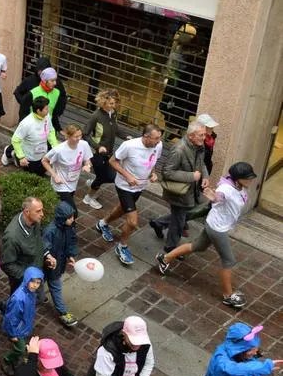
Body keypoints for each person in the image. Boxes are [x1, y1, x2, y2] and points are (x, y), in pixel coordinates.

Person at [157, 161, 258, 304]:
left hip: (215, 223)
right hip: (217, 229)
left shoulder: (240, 186)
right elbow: (219, 196)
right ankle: (228, 296)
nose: (251, 180)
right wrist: (213, 196)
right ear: (237, 178)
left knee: (198, 246)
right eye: (247, 177)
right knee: (229, 261)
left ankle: (165, 258)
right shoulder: (226, 189)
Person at [95, 124, 163, 266]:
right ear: (145, 136)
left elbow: (153, 160)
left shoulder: (158, 145)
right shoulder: (129, 145)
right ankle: (122, 247)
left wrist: (153, 173)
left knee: (122, 209)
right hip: (125, 186)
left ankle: (103, 223)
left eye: (159, 138)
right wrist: (128, 176)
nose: (158, 141)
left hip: (140, 186)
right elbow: (112, 161)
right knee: (132, 222)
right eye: (155, 138)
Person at [151, 122, 208, 253]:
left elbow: (201, 163)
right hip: (179, 192)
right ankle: (170, 247)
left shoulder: (198, 146)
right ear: (191, 136)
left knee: (181, 216)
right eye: (201, 135)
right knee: (179, 221)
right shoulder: (179, 150)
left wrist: (205, 176)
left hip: (190, 191)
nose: (204, 137)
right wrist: (191, 176)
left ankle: (158, 223)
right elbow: (167, 172)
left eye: (204, 134)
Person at [199, 322, 281, 376]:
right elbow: (230, 369)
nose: (254, 353)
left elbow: (247, 366)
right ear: (239, 349)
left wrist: (258, 375)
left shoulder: (241, 355)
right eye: (251, 350)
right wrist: (262, 367)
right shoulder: (221, 359)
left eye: (255, 349)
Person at [42, 201, 80, 327]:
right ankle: (63, 312)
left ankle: (40, 296)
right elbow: (44, 245)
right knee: (54, 287)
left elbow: (71, 242)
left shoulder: (68, 228)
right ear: (63, 218)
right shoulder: (50, 230)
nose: (72, 219)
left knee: (40, 284)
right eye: (70, 217)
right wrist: (49, 256)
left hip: (56, 264)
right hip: (48, 265)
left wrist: (70, 255)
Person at [0, 268, 44, 373]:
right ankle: (7, 359)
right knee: (20, 349)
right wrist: (12, 334)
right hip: (17, 330)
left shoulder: (30, 292)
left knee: (20, 347)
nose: (35, 285)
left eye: (38, 283)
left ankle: (14, 359)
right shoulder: (18, 298)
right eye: (32, 281)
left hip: (23, 326)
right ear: (27, 280)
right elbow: (11, 318)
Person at [82, 89, 119, 210]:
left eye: (114, 103)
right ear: (103, 102)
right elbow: (85, 134)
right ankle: (88, 198)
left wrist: (127, 136)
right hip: (97, 153)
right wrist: (98, 147)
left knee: (108, 176)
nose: (113, 106)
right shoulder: (96, 116)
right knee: (105, 177)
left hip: (108, 152)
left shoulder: (113, 113)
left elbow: (115, 129)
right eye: (111, 103)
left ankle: (93, 183)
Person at [1, 96, 58, 176]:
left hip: (42, 153)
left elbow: (51, 130)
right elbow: (15, 140)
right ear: (38, 110)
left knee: (41, 172)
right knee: (31, 174)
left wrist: (55, 144)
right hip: (29, 156)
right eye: (46, 109)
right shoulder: (26, 123)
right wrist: (21, 157)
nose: (48, 111)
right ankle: (10, 152)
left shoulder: (46, 116)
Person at [42, 124, 93, 211]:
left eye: (80, 135)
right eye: (76, 136)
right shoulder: (59, 150)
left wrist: (87, 165)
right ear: (68, 136)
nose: (79, 138)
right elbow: (44, 161)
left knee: (62, 208)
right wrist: (54, 175)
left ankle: (59, 220)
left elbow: (87, 159)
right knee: (72, 211)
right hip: (60, 185)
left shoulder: (84, 145)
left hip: (73, 183)